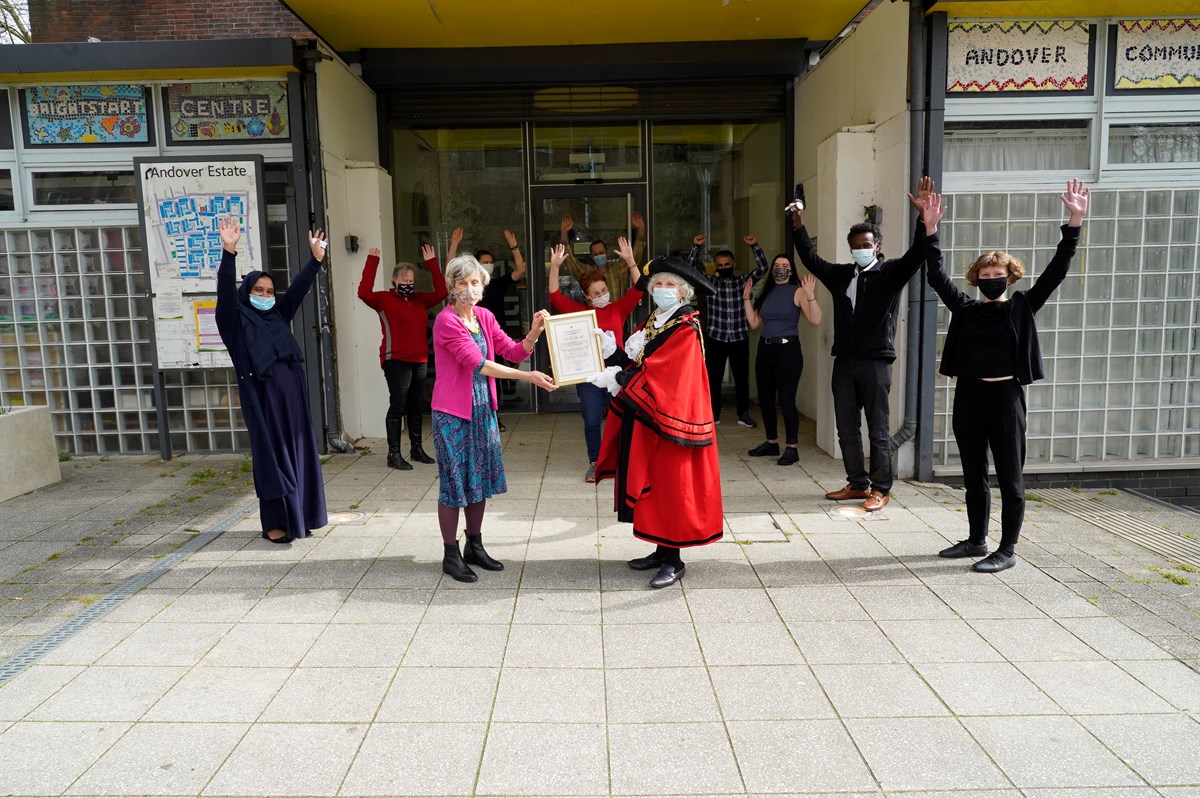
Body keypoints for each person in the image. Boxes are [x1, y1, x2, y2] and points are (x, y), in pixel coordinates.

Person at [921, 179, 1089, 573]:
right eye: (985, 271)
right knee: (973, 473)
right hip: (969, 398)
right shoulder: (964, 309)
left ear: (1010, 277)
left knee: (1010, 476)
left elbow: (1057, 271)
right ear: (976, 277)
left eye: (999, 271)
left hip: (1005, 399)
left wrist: (1075, 221)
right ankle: (977, 540)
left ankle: (1007, 548)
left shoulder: (1021, 307)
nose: (992, 276)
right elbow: (934, 274)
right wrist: (929, 229)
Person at [790, 183, 930, 512]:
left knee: (878, 430)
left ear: (876, 246)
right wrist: (798, 225)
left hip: (876, 364)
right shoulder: (841, 275)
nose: (860, 249)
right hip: (845, 362)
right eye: (855, 246)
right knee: (846, 427)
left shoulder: (890, 272)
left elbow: (918, 255)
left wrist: (923, 220)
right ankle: (857, 483)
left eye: (866, 245)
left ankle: (881, 489)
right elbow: (811, 259)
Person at [591, 256, 722, 589]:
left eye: (670, 285)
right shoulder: (655, 321)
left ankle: (675, 560)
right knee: (654, 485)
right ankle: (661, 551)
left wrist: (619, 377)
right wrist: (614, 354)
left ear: (683, 293)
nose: (663, 289)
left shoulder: (685, 327)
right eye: (658, 284)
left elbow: (667, 375)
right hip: (651, 414)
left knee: (671, 487)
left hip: (672, 420)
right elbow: (642, 363)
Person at [432, 253, 558, 583]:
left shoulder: (484, 317)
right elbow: (478, 363)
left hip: (482, 410)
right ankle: (450, 553)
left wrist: (533, 333)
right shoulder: (446, 321)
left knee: (480, 481)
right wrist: (528, 377)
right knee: (454, 485)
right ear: (451, 286)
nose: (470, 288)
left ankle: (475, 545)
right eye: (463, 283)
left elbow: (512, 351)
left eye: (475, 282)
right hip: (452, 414)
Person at [215, 216, 328, 544]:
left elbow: (296, 291)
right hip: (264, 404)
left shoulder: (277, 315)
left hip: (293, 403)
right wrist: (229, 252)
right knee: (272, 459)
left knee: (298, 455)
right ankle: (275, 522)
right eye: (257, 290)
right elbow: (224, 291)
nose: (264, 294)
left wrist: (315, 261)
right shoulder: (234, 322)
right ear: (246, 292)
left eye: (269, 290)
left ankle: (300, 517)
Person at [549, 237, 643, 482]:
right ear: (586, 296)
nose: (602, 295)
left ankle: (622, 460)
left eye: (604, 290)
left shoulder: (617, 308)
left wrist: (631, 262)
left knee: (621, 418)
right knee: (591, 420)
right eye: (596, 293)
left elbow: (639, 288)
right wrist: (556, 266)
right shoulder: (580, 312)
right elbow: (555, 295)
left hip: (618, 373)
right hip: (589, 375)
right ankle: (595, 461)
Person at [357, 243, 446, 470]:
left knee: (417, 405)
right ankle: (393, 454)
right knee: (399, 404)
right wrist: (371, 262)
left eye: (411, 280)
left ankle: (416, 449)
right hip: (394, 359)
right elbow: (363, 293)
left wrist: (432, 263)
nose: (408, 283)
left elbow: (442, 292)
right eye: (404, 280)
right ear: (395, 280)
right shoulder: (383, 299)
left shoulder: (419, 299)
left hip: (419, 360)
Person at [743, 254, 822, 465]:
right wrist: (746, 298)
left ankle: (792, 447)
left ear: (791, 270)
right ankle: (771, 443)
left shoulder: (797, 292)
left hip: (788, 351)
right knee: (765, 398)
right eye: (777, 265)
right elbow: (754, 323)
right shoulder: (767, 292)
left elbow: (815, 319)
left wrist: (810, 295)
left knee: (786, 399)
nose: (780, 268)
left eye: (785, 265)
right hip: (765, 350)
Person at [449, 227, 528, 432]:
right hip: (471, 336)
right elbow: (449, 273)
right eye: (485, 262)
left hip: (493, 337)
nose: (472, 289)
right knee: (474, 376)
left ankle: (494, 415)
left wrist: (514, 246)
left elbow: (520, 270)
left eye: (491, 262)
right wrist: (454, 244)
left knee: (494, 378)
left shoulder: (497, 284)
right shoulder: (449, 320)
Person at [688, 234, 771, 428]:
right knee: (714, 379)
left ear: (733, 264)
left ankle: (743, 414)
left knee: (742, 379)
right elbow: (690, 271)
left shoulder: (743, 281)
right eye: (720, 265)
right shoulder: (709, 283)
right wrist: (695, 247)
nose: (723, 268)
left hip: (739, 337)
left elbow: (763, 269)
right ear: (716, 266)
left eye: (727, 264)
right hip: (716, 337)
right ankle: (713, 414)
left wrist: (755, 246)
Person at [558, 210, 646, 300]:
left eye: (601, 253)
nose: (599, 256)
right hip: (596, 313)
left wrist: (641, 229)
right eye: (596, 254)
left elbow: (634, 257)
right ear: (591, 257)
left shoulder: (617, 268)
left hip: (616, 312)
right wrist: (564, 233)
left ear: (607, 253)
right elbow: (570, 262)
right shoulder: (587, 272)